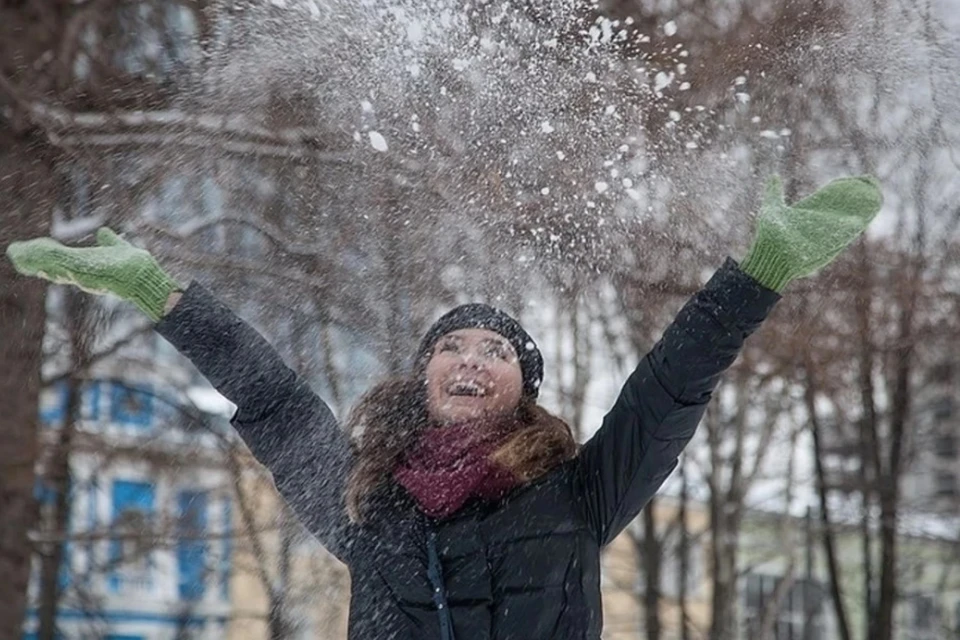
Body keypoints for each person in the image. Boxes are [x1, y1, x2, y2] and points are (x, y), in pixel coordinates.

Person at [7, 175, 882, 639]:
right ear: (424, 379)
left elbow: (668, 390)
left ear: (521, 393)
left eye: (495, 351)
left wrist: (756, 274)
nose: (470, 358)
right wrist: (159, 292)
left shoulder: (578, 498)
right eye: (451, 348)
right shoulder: (364, 502)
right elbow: (272, 399)